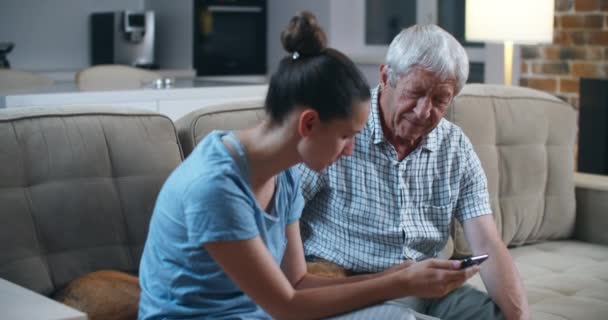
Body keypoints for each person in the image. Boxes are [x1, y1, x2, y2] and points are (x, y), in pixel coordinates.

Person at [137, 13, 479, 320]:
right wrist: (398, 282)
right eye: (346, 136)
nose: (349, 151)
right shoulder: (214, 187)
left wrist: (396, 277)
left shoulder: (282, 176)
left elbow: (298, 282)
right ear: (309, 124)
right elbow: (286, 306)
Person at [299, 24, 530, 320]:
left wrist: (519, 316)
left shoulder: (455, 147)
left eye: (439, 100)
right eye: (415, 93)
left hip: (428, 287)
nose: (423, 111)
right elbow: (281, 216)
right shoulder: (339, 130)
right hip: (348, 285)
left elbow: (487, 242)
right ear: (385, 77)